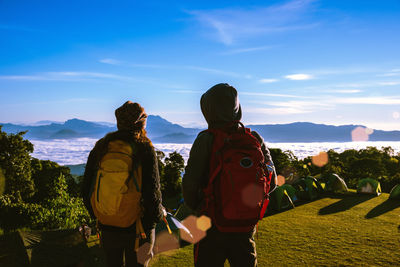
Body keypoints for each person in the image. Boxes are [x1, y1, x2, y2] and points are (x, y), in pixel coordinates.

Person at [182, 83, 277, 267]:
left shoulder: (206, 139)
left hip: (210, 226)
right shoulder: (254, 139)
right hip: (245, 228)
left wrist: (198, 206)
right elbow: (271, 181)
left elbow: (190, 184)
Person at [82, 101, 163, 267]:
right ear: (141, 122)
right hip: (138, 229)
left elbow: (86, 189)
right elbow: (152, 193)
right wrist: (153, 221)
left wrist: (100, 215)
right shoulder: (144, 148)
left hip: (107, 226)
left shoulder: (102, 147)